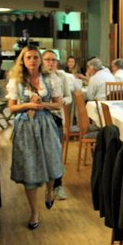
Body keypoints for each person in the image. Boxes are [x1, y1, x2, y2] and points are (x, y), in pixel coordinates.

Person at [6, 46, 64, 229]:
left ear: (40, 60)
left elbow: (58, 105)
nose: (32, 60)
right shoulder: (16, 81)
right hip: (25, 127)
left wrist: (43, 104)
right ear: (23, 60)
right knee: (29, 166)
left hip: (46, 125)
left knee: (52, 159)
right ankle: (34, 212)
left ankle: (49, 189)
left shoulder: (50, 79)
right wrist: (28, 105)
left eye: (35, 57)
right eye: (28, 57)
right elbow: (12, 107)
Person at [42, 50, 72, 200]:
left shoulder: (62, 76)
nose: (50, 63)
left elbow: (68, 96)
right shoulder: (37, 76)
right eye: (47, 60)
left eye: (53, 60)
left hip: (56, 118)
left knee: (56, 152)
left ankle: (58, 185)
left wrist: (61, 102)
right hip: (39, 119)